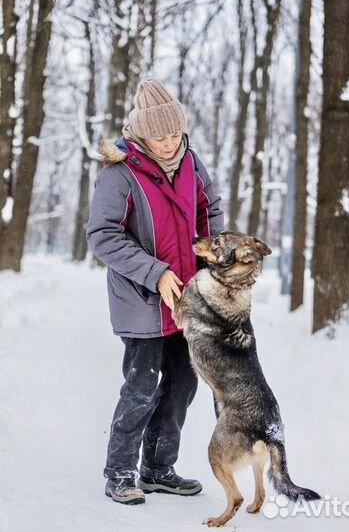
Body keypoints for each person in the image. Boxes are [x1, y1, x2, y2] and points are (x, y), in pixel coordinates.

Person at [86, 79, 224, 505]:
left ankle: (159, 469)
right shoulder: (121, 173)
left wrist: (213, 258)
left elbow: (209, 211)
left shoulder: (190, 162)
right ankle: (120, 472)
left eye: (174, 134)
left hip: (188, 299)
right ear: (140, 134)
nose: (168, 144)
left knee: (183, 382)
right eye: (158, 136)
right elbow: (102, 236)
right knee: (142, 385)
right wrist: (155, 271)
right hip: (142, 300)